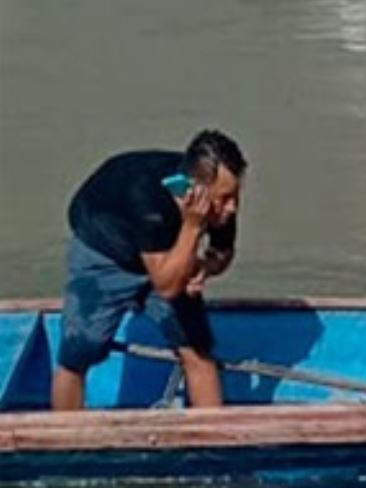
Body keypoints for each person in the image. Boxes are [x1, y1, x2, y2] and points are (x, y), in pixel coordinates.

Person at [51, 130, 247, 411]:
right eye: (225, 198)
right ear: (195, 192)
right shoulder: (149, 204)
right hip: (104, 252)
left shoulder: (221, 205)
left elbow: (222, 252)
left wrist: (205, 268)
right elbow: (167, 287)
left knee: (197, 349)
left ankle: (211, 441)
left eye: (235, 195)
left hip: (168, 253)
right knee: (78, 354)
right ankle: (64, 441)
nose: (233, 207)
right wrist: (192, 226)